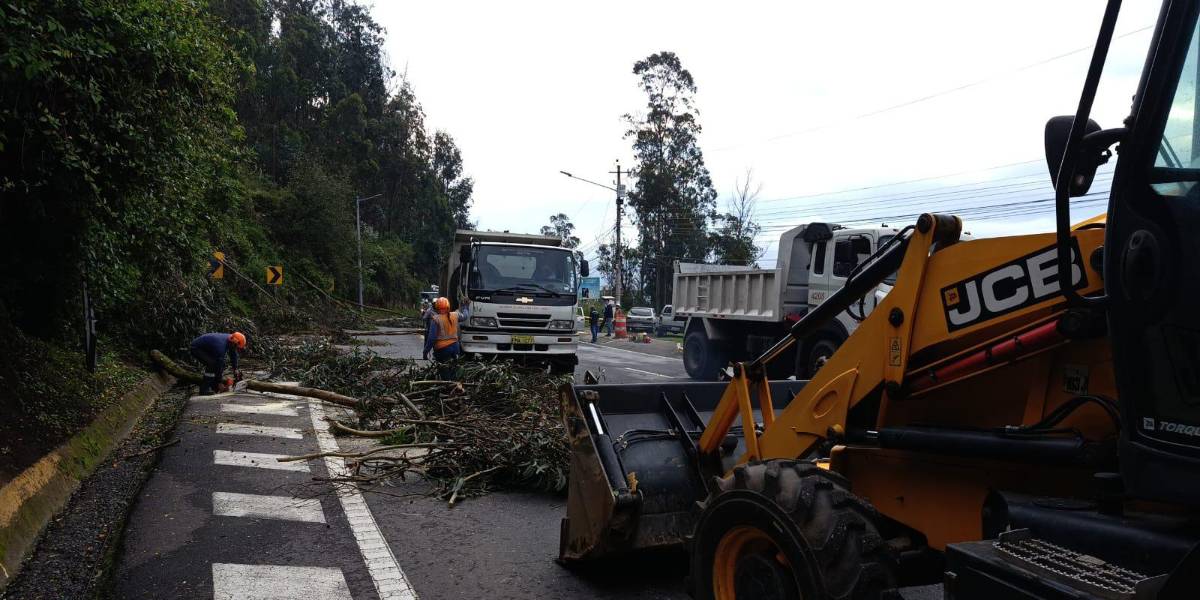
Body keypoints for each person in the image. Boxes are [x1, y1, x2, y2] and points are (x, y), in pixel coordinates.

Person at [423, 297, 471, 374]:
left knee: (444, 372)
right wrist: (466, 306)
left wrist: (425, 352)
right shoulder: (455, 315)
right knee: (453, 369)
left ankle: (448, 383)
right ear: (448, 307)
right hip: (455, 348)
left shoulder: (435, 319)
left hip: (442, 350)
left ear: (437, 308)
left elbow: (431, 339)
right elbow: (465, 316)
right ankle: (453, 382)